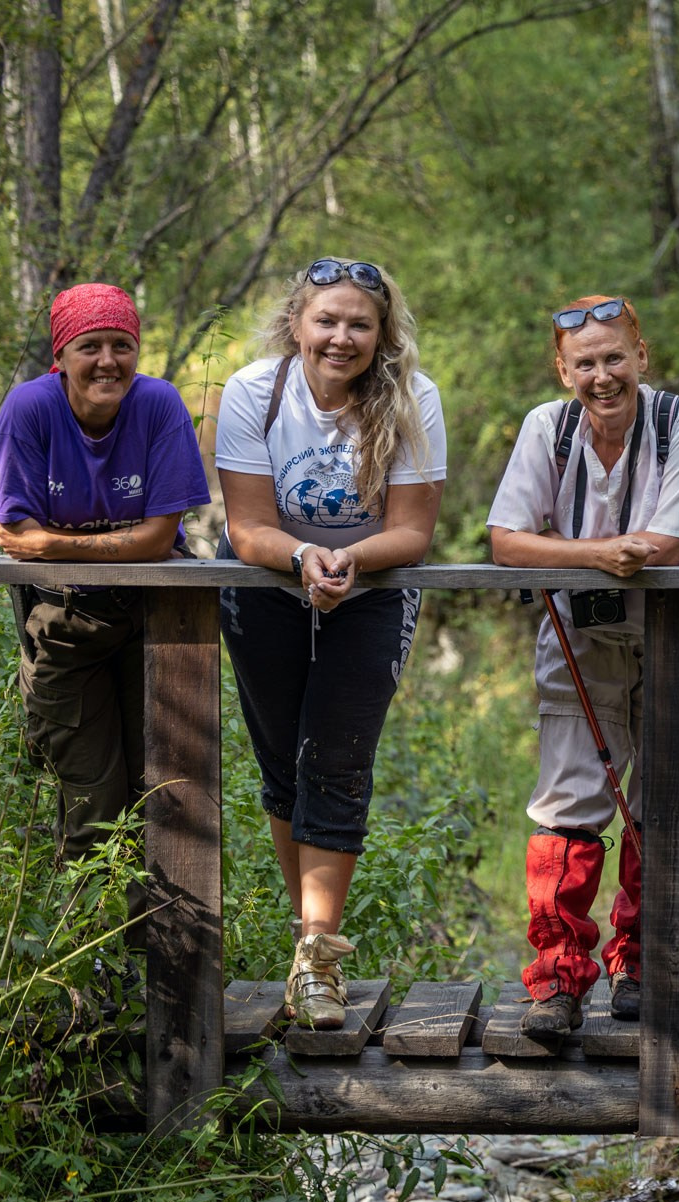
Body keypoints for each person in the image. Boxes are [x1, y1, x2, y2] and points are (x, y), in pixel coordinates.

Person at [214, 257, 446, 1029]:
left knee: (338, 760)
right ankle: (303, 934)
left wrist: (347, 559)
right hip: (267, 582)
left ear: (382, 335)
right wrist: (301, 557)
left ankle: (318, 957)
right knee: (284, 761)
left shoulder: (413, 397)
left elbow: (412, 530)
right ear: (297, 325)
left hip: (372, 586)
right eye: (327, 320)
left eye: (359, 323)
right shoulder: (255, 390)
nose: (341, 337)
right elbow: (245, 526)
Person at [488, 295, 679, 1038]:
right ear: (563, 370)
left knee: (664, 800)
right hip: (577, 638)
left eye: (614, 357)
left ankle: (643, 964)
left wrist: (570, 550)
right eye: (584, 363)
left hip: (675, 637)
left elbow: (674, 543)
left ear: (641, 356)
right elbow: (505, 541)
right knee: (568, 806)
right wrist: (593, 553)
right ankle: (556, 980)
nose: (602, 375)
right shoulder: (545, 429)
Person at [0, 282, 212, 942]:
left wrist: (57, 543)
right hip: (62, 627)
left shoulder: (158, 404)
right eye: (91, 346)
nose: (108, 361)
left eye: (123, 345)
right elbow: (12, 533)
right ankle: (93, 980)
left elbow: (157, 536)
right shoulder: (29, 409)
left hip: (155, 625)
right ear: (62, 356)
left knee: (169, 799)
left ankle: (168, 976)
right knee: (93, 807)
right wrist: (106, 546)